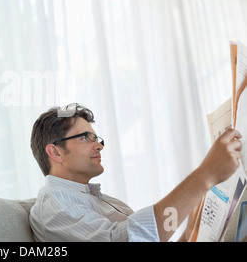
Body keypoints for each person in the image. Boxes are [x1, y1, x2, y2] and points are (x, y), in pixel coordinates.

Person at [29, 103, 243, 242]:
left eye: (97, 139)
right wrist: (204, 177)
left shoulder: (101, 201)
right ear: (55, 152)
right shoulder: (53, 207)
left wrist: (190, 230)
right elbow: (126, 240)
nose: (99, 146)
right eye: (86, 137)